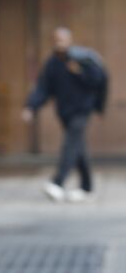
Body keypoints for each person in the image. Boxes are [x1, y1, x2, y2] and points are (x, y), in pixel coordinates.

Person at [23, 27, 107, 203]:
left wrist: (80, 73)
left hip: (82, 110)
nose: (59, 43)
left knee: (70, 145)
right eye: (56, 40)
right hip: (65, 112)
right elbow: (43, 88)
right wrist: (31, 106)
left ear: (69, 41)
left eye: (62, 40)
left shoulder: (82, 59)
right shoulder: (53, 64)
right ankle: (87, 186)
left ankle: (57, 182)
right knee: (78, 148)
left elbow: (98, 80)